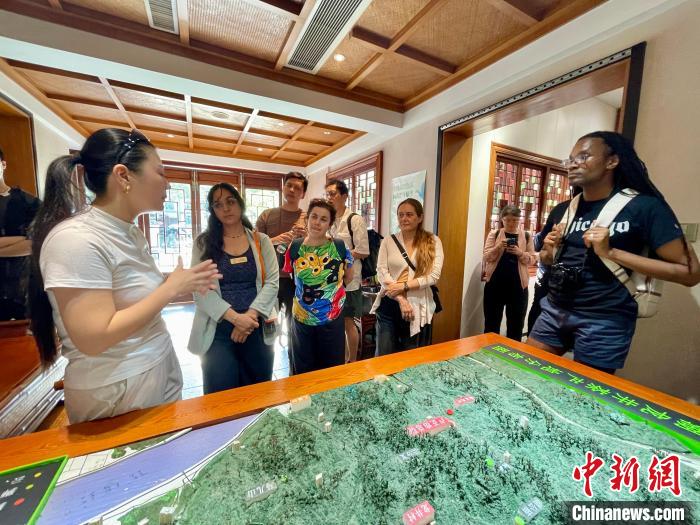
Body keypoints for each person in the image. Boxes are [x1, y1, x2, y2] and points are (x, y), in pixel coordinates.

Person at [26, 128, 221, 423]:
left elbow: (132, 300)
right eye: (160, 172)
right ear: (123, 175)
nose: (167, 183)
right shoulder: (76, 239)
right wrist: (170, 289)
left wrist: (177, 284)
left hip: (153, 371)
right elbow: (94, 338)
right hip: (116, 391)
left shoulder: (129, 232)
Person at [527, 131, 700, 373]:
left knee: (587, 390)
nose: (573, 164)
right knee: (527, 372)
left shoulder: (644, 208)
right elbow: (547, 259)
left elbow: (691, 274)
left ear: (612, 161)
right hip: (555, 309)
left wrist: (611, 252)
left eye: (583, 157)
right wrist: (548, 251)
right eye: (570, 159)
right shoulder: (564, 210)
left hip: (605, 320)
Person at [188, 183, 279, 393]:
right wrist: (236, 319)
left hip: (256, 324)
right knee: (221, 392)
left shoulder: (261, 241)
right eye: (218, 205)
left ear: (240, 204)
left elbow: (272, 282)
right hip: (218, 327)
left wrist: (249, 317)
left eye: (230, 201)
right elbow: (200, 289)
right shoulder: (203, 243)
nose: (226, 209)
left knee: (258, 391)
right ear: (213, 210)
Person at [283, 199, 353, 374]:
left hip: (332, 318)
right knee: (303, 370)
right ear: (307, 219)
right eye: (314, 217)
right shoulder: (295, 247)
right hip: (302, 318)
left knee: (331, 370)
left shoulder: (339, 247)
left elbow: (349, 277)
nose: (317, 222)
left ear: (330, 224)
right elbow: (292, 277)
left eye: (323, 219)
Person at [371, 198, 444, 355]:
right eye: (401, 215)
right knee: (384, 356)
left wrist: (404, 286)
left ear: (420, 217)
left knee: (412, 357)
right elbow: (381, 272)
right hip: (390, 302)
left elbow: (433, 276)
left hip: (418, 304)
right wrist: (401, 299)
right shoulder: (388, 241)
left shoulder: (432, 241)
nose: (404, 218)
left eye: (409, 215)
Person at [255, 171, 307, 371]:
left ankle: (296, 374)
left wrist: (307, 236)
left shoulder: (307, 218)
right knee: (267, 329)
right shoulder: (267, 215)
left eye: (297, 188)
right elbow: (252, 245)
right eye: (289, 185)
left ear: (303, 193)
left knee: (296, 329)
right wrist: (274, 240)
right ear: (283, 187)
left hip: (298, 281)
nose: (292, 190)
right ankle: (263, 374)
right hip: (270, 280)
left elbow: (320, 247)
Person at [326, 179, 369, 363]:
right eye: (327, 194)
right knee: (335, 322)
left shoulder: (354, 220)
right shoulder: (328, 220)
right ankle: (341, 361)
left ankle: (352, 362)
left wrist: (341, 253)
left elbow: (364, 251)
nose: (329, 198)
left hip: (350, 281)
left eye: (332, 194)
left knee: (348, 322)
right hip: (331, 280)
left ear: (344, 196)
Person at [482, 206, 536, 341]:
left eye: (515, 220)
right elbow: (487, 257)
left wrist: (520, 253)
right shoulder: (494, 234)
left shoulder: (527, 236)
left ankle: (513, 352)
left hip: (518, 288)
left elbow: (532, 259)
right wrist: (499, 246)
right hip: (494, 286)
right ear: (502, 220)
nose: (511, 223)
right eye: (508, 220)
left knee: (516, 327)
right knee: (491, 325)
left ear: (520, 220)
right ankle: (488, 350)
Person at [0, 146, 40, 320]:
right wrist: (20, 239)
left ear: (3, 164)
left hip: (23, 290)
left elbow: (35, 243)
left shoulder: (28, 202)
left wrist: (27, 241)